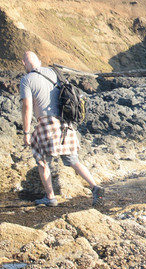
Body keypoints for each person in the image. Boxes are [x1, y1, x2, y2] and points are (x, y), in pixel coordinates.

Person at [19, 51, 104, 207]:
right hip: (65, 123)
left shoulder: (26, 80)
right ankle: (95, 187)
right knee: (73, 160)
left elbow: (27, 106)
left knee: (43, 162)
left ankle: (50, 197)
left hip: (46, 124)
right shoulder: (54, 72)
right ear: (39, 60)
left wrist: (26, 132)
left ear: (24, 63)